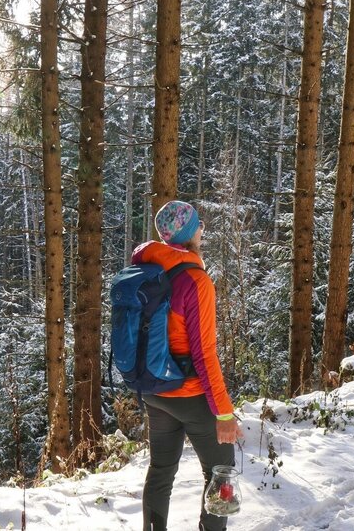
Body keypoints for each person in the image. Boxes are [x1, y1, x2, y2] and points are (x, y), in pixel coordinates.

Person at [133, 200, 242, 531]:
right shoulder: (195, 280)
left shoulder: (147, 272)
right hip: (189, 393)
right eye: (198, 225)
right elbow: (204, 353)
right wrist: (224, 413)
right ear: (189, 233)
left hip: (154, 388)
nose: (202, 230)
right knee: (221, 471)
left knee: (161, 471)